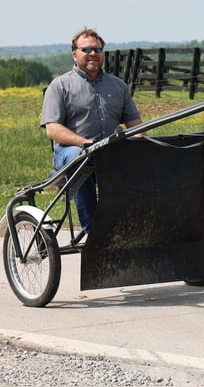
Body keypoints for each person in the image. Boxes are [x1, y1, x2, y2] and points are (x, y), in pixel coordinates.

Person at [40, 27, 144, 233]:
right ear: (75, 54)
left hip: (109, 151)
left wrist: (141, 145)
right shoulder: (59, 86)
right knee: (82, 157)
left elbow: (136, 127)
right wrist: (84, 143)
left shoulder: (118, 86)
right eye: (86, 49)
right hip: (71, 152)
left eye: (97, 49)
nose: (93, 53)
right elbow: (52, 129)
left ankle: (131, 226)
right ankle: (94, 230)